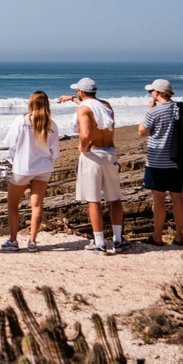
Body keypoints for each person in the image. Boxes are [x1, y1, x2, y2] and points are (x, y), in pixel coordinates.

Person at [57, 78, 126, 254]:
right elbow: (91, 105)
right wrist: (71, 99)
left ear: (80, 91)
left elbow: (86, 133)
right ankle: (118, 239)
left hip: (93, 155)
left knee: (93, 200)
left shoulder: (83, 109)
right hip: (110, 152)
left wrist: (83, 146)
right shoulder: (106, 106)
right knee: (114, 199)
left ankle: (99, 242)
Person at [0, 91, 60, 252]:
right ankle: (32, 241)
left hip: (23, 168)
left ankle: (13, 240)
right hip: (44, 168)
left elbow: (11, 144)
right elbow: (55, 151)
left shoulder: (22, 120)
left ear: (31, 103)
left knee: (13, 204)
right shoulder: (51, 125)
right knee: (37, 204)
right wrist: (48, 161)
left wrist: (16, 160)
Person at [138, 79, 183, 245]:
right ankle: (179, 236)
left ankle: (157, 236)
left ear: (157, 93)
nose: (150, 94)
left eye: (151, 91)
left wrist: (149, 111)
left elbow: (142, 131)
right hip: (177, 160)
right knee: (177, 198)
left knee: (158, 199)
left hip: (157, 161)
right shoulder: (180, 109)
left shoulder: (155, 112)